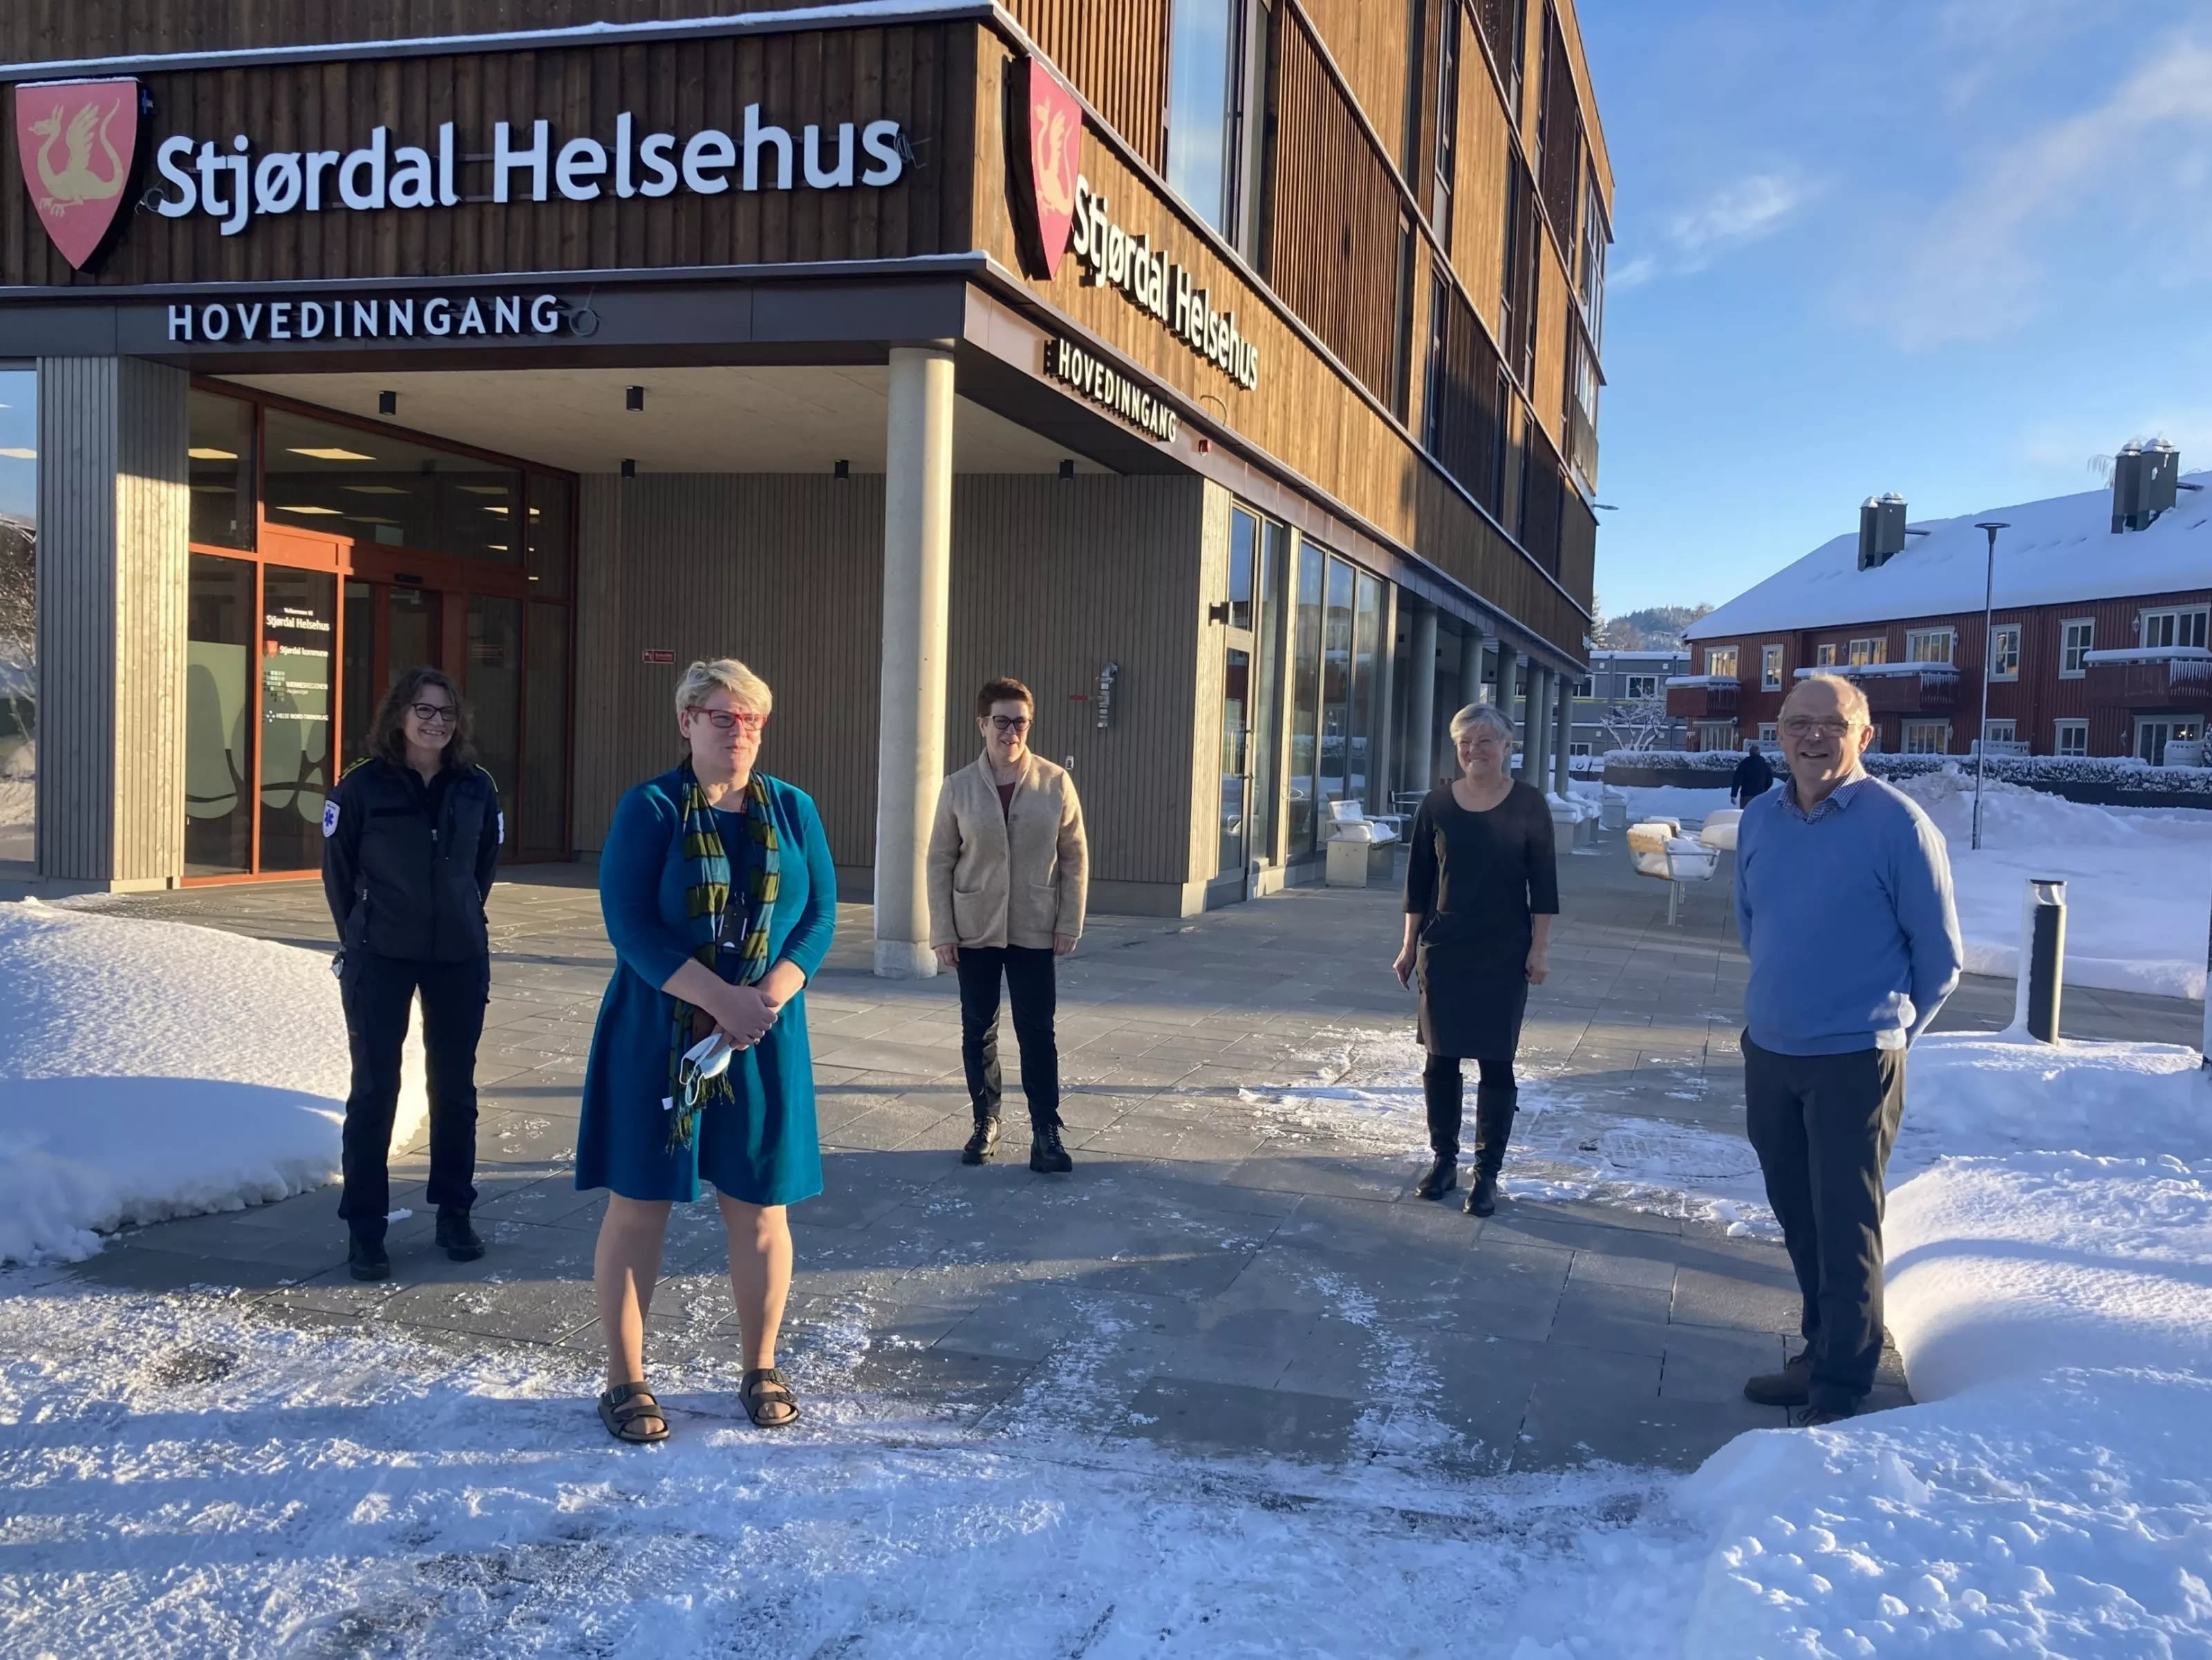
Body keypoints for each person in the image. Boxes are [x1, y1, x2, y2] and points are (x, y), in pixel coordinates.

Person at [574, 659, 837, 1443]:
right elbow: (628, 922)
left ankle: (761, 1366)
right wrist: (718, 998)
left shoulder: (793, 809)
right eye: (723, 716)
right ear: (686, 721)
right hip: (659, 1031)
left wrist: (766, 997)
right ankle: (625, 1380)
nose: (739, 731)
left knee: (760, 1207)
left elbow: (819, 915)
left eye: (752, 719)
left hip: (761, 1032)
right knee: (639, 1204)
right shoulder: (651, 807)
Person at [1734, 673, 1962, 1427]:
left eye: (1831, 723)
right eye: (1797, 722)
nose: (1812, 737)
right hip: (1771, 1050)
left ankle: (1840, 1384)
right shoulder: (1759, 818)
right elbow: (1753, 922)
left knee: (1845, 1222)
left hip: (1855, 1059)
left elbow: (1940, 960)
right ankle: (1819, 1347)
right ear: (1778, 733)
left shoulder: (1898, 825)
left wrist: (1883, 1035)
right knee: (1797, 1214)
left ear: (1863, 736)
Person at [321, 667, 503, 1283]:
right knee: (375, 1089)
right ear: (399, 714)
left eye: (446, 712)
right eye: (424, 709)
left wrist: (458, 915)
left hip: (458, 955)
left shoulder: (476, 787)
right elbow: (339, 872)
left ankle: (455, 1212)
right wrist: (364, 930)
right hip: (381, 955)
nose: (436, 722)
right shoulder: (360, 787)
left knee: (455, 1089)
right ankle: (365, 1228)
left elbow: (482, 867)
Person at [1393, 702, 1558, 1218]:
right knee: (1439, 1059)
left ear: (1507, 746)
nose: (1474, 750)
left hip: (1503, 950)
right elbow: (1418, 883)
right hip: (1444, 949)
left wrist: (1538, 949)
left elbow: (1544, 886)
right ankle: (1444, 1161)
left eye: (1485, 741)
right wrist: (1408, 945)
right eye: (1465, 742)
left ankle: (1487, 1174)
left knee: (1496, 1061)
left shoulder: (1528, 804)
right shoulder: (1437, 805)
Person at [927, 677, 1088, 1173]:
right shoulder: (957, 786)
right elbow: (939, 861)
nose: (1011, 731)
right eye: (1002, 721)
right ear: (982, 724)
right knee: (978, 1029)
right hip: (974, 927)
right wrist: (943, 931)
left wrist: (1069, 920)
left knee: (1038, 1031)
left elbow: (1074, 856)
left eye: (1020, 722)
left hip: (1034, 925)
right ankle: (986, 1122)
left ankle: (1046, 1132)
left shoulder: (1055, 782)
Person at [1732, 740, 1777, 807]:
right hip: (1760, 795)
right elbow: (1770, 780)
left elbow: (1737, 780)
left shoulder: (1744, 764)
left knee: (1746, 812)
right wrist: (1764, 790)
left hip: (1746, 795)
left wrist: (1734, 794)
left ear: (1750, 753)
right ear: (1759, 753)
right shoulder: (1764, 765)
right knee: (1758, 812)